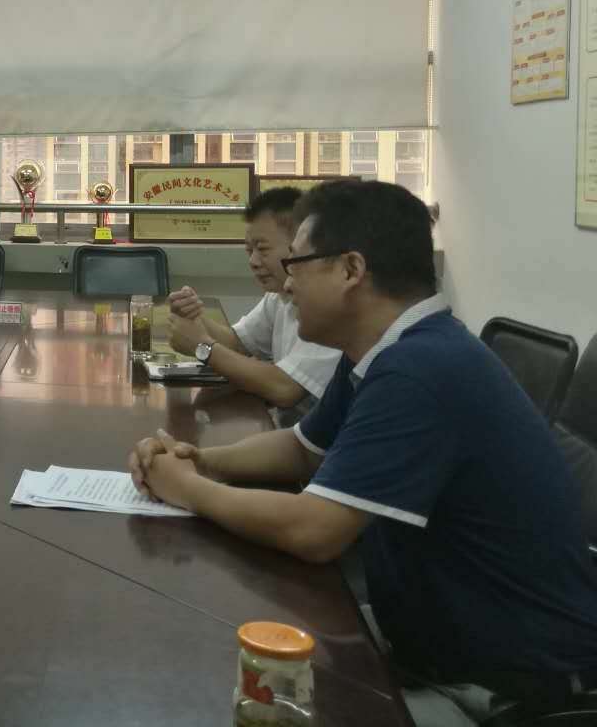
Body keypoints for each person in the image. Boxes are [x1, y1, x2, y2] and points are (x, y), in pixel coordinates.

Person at [129, 180, 597, 722]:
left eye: (297, 263)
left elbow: (315, 531)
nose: (286, 284)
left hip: (505, 688)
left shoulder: (422, 369)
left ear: (351, 269)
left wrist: (189, 490)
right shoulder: (383, 351)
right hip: (431, 641)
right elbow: (302, 449)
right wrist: (201, 460)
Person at [166, 187, 340, 417]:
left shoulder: (331, 306)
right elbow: (238, 343)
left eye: (262, 249)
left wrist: (201, 346)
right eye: (249, 250)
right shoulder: (278, 295)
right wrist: (194, 318)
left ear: (300, 243)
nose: (253, 261)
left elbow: (285, 388)